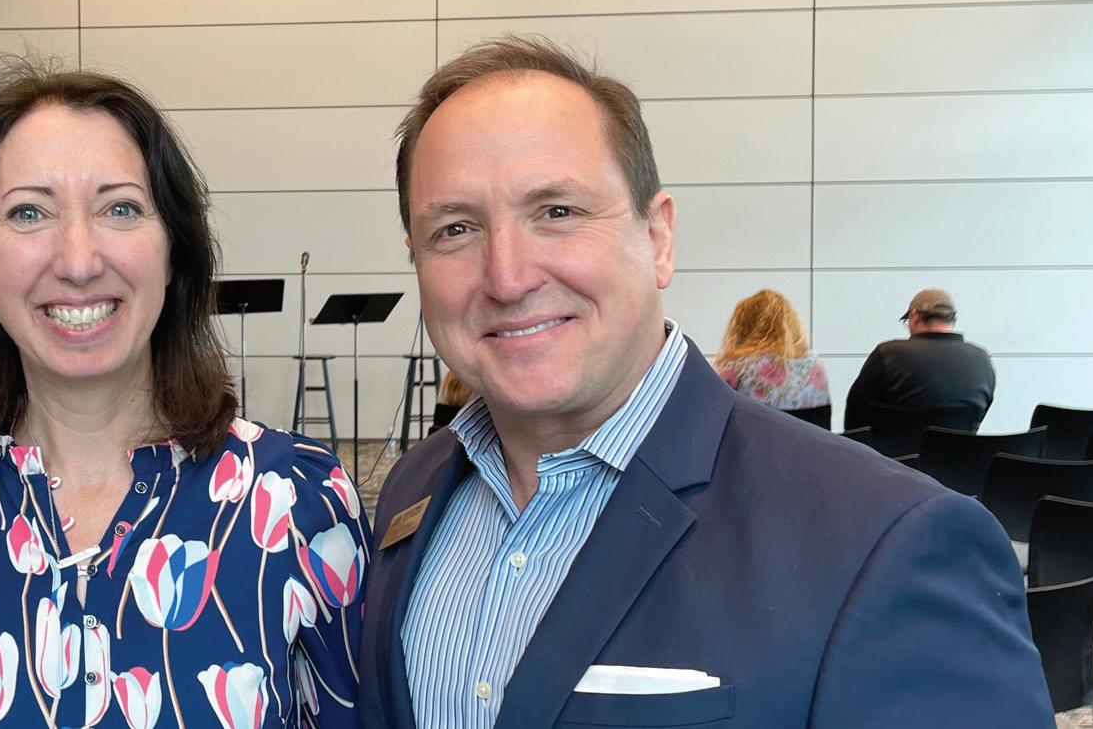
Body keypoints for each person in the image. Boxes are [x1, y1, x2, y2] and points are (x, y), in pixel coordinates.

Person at [357, 36, 1047, 729]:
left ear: (658, 238)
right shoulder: (412, 490)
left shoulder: (887, 542)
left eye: (558, 212)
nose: (507, 278)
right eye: (455, 229)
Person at [0, 61, 369, 729]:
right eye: (28, 212)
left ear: (174, 249)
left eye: (120, 208)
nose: (78, 261)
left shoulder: (297, 497)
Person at [844, 288, 997, 429]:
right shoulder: (981, 358)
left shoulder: (888, 354)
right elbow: (976, 418)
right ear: (953, 319)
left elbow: (855, 417)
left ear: (914, 316)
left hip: (890, 451)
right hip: (957, 450)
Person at [712, 289, 829, 412]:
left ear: (743, 327)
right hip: (806, 426)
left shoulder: (736, 367)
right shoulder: (814, 367)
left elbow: (713, 412)